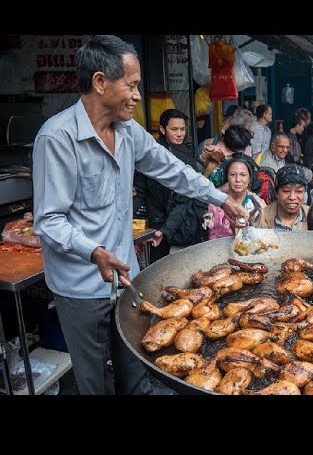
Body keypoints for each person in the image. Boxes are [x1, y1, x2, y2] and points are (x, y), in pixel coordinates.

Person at [31, 35, 248, 395]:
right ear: (100, 82)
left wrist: (219, 198)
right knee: (94, 382)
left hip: (126, 277)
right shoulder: (57, 138)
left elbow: (173, 170)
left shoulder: (129, 132)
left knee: (136, 371)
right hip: (81, 286)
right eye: (131, 85)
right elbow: (48, 220)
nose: (136, 95)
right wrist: (94, 251)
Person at [132, 108, 200, 262]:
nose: (179, 134)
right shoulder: (150, 156)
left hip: (183, 224)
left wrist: (166, 229)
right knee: (157, 270)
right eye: (174, 129)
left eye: (182, 129)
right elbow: (140, 191)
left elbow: (186, 199)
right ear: (162, 129)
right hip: (156, 223)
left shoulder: (187, 157)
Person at [205, 154, 266, 240]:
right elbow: (209, 236)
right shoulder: (214, 206)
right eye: (233, 174)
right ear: (227, 178)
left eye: (243, 175)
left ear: (249, 178)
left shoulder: (258, 205)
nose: (238, 180)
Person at [255, 164, 309, 231]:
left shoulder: (312, 216)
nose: (292, 197)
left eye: (299, 191)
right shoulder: (261, 218)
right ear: (276, 193)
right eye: (286, 191)